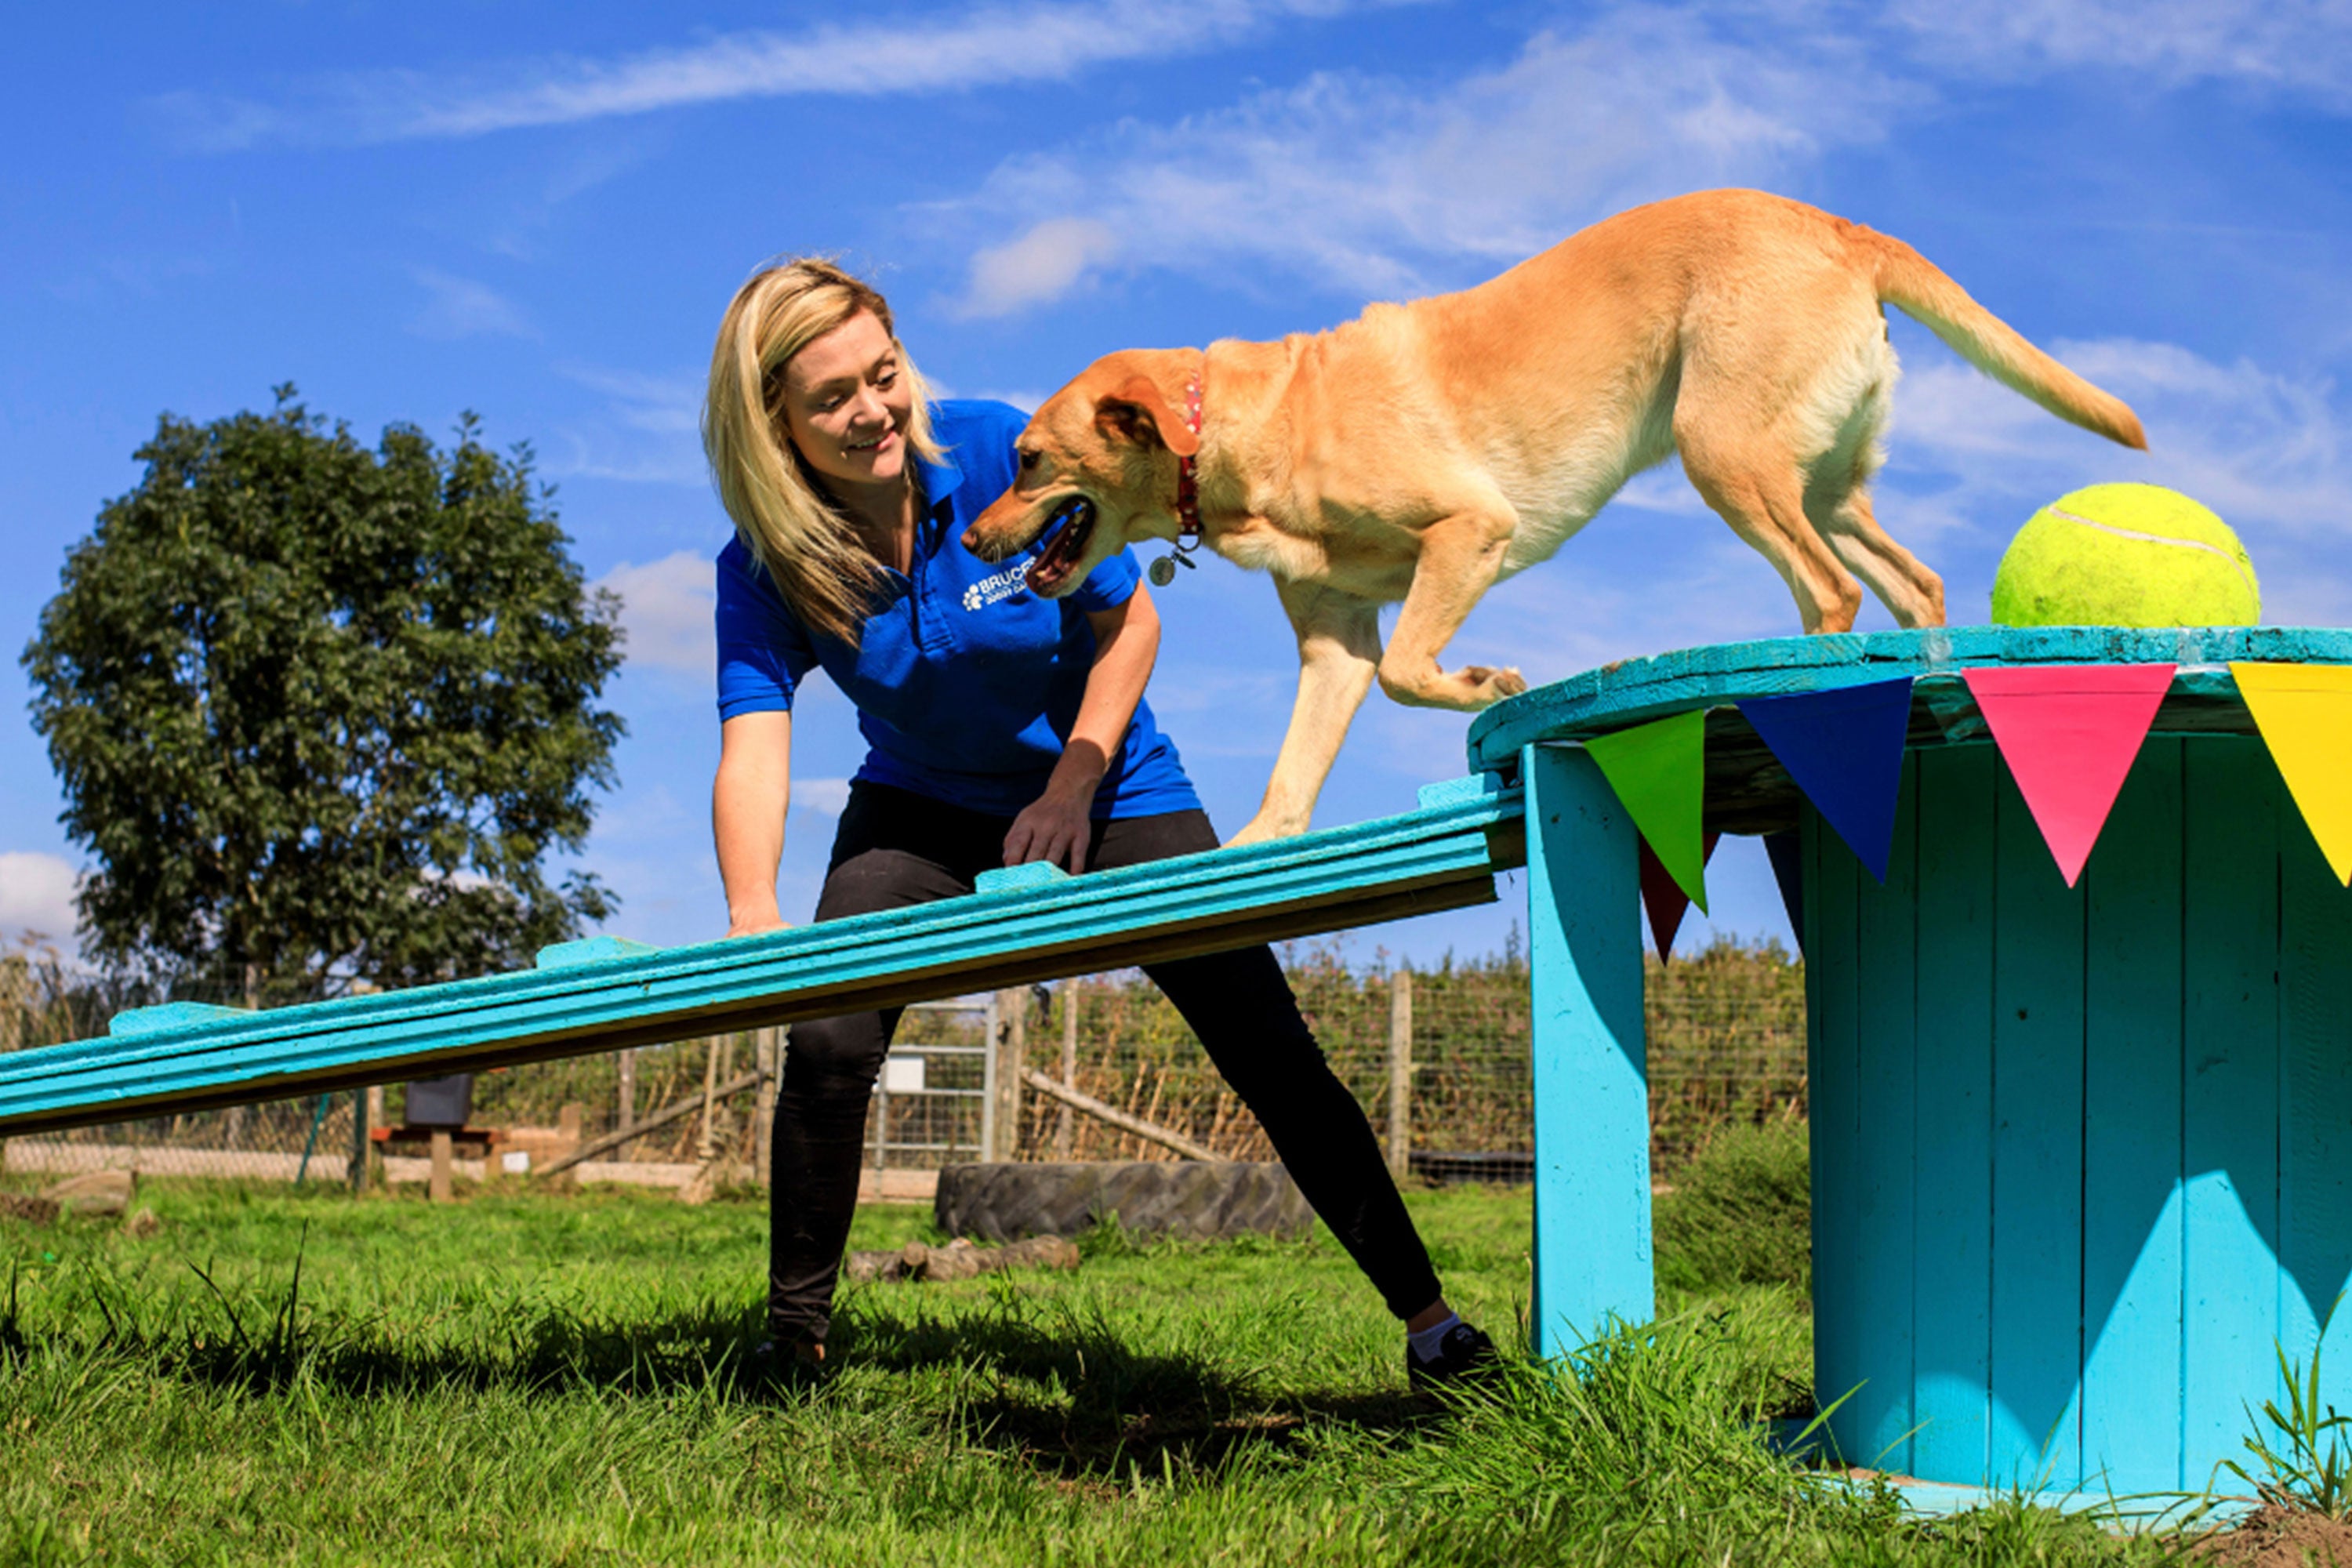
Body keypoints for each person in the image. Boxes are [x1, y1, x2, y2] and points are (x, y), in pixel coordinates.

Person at [701, 257, 1493, 1389]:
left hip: (1108, 782)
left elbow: (1127, 623)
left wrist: (1071, 787)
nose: (874, 410)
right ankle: (794, 1344)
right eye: (832, 398)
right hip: (918, 808)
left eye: (883, 374)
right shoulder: (765, 561)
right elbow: (753, 742)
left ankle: (1434, 1328)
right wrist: (753, 921)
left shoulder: (997, 452)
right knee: (826, 1043)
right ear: (770, 419)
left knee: (1263, 1040)